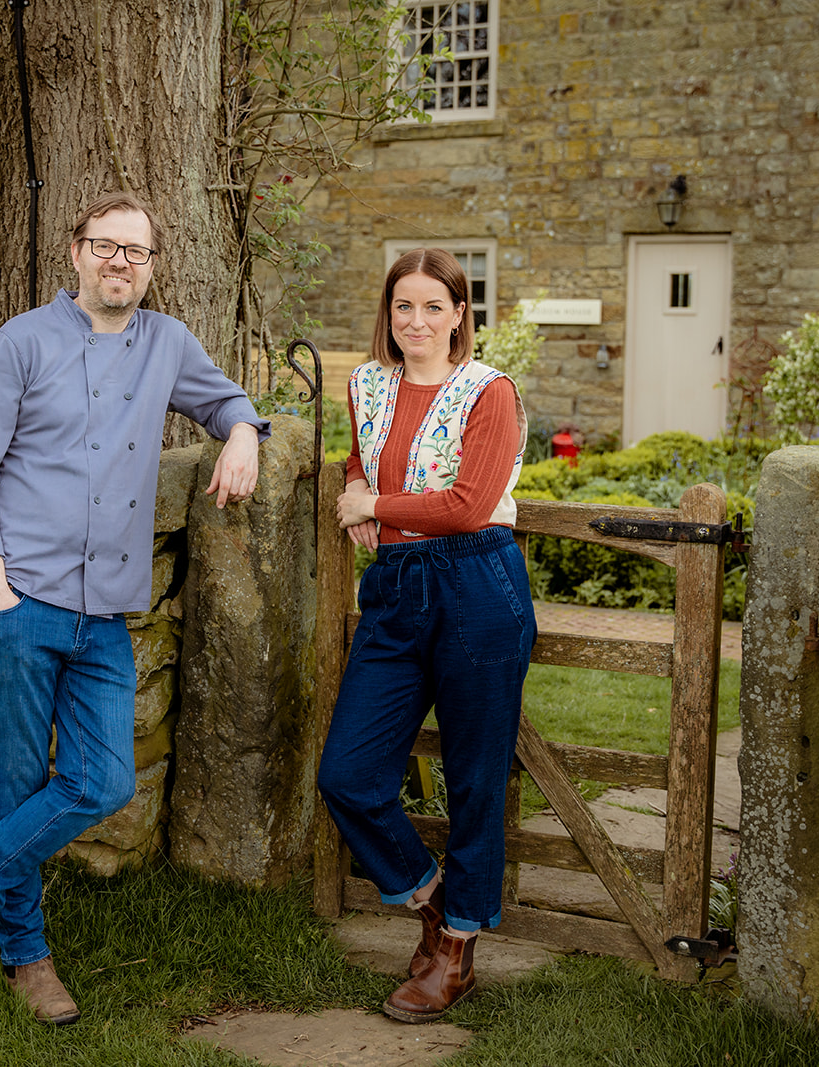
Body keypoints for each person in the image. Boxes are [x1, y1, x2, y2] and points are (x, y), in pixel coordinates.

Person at [0, 192, 271, 1028]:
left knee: (102, 780)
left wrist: (243, 432)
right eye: (105, 245)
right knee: (18, 786)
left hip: (103, 615)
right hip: (20, 598)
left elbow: (226, 401)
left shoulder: (167, 343)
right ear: (75, 251)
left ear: (153, 265)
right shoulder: (21, 341)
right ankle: (27, 958)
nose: (119, 263)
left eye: (135, 251)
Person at [317, 248, 535, 1023]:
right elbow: (358, 461)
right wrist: (355, 488)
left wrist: (373, 503)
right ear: (388, 312)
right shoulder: (365, 383)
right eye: (402, 307)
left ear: (459, 315)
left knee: (476, 776)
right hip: (397, 591)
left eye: (432, 308)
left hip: (478, 582)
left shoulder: (490, 391)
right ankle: (437, 903)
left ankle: (457, 953)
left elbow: (471, 502)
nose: (416, 322)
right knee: (346, 772)